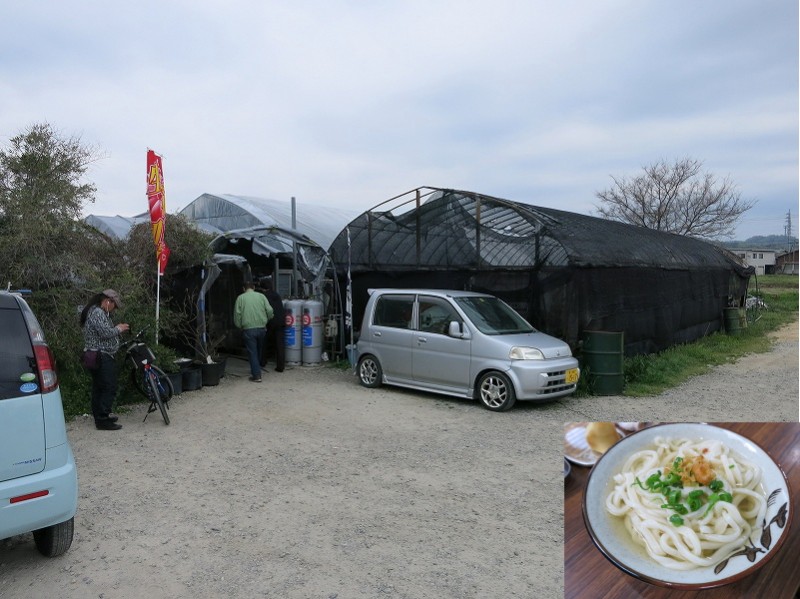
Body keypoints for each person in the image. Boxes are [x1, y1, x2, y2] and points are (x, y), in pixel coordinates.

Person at [80, 289, 130, 430]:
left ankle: (101, 416)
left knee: (99, 387)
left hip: (96, 355)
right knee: (109, 386)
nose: (114, 309)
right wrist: (119, 328)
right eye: (114, 305)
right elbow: (105, 333)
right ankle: (103, 419)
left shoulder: (96, 311)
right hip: (101, 356)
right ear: (108, 301)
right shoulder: (97, 312)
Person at [234, 281, 273, 382]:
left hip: (248, 329)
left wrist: (239, 326)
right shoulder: (261, 296)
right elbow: (269, 310)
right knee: (259, 351)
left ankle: (256, 375)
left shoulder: (240, 298)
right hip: (262, 328)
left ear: (243, 289)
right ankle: (257, 369)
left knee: (252, 352)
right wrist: (267, 319)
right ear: (254, 287)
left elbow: (237, 315)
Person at [260, 280, 286, 372]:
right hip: (281, 321)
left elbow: (266, 310)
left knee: (264, 342)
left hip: (271, 322)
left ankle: (263, 361)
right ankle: (280, 366)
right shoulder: (277, 295)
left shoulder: (264, 296)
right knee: (280, 344)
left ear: (262, 288)